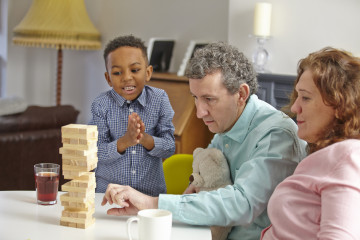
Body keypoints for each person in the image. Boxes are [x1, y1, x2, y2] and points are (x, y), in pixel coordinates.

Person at [101, 42, 307, 239]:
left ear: (241, 94)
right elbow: (199, 189)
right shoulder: (227, 126)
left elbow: (243, 203)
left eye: (209, 99)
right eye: (195, 98)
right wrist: (152, 208)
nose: (199, 113)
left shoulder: (276, 135)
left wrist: (152, 203)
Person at [261, 47, 360, 239]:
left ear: (340, 105)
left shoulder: (347, 157)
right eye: (297, 96)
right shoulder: (327, 155)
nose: (295, 107)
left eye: (305, 97)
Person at [89, 35, 176, 195]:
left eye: (135, 70)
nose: (127, 77)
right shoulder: (100, 105)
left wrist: (144, 139)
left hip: (149, 197)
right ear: (108, 78)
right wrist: (125, 142)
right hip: (108, 196)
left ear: (148, 72)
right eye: (117, 73)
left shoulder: (160, 99)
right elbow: (94, 153)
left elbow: (170, 147)